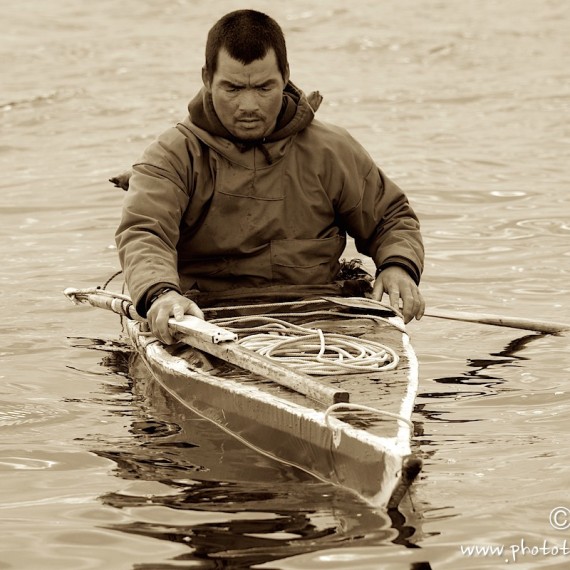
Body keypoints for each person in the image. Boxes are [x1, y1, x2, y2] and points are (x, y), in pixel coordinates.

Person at [115, 9, 425, 344]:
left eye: (264, 87)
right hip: (203, 318)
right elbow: (144, 232)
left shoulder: (331, 150)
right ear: (207, 78)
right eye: (232, 88)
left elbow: (390, 218)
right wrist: (161, 294)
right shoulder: (172, 155)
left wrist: (398, 267)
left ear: (286, 75)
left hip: (322, 315)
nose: (248, 105)